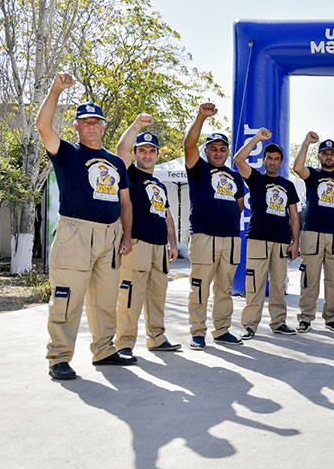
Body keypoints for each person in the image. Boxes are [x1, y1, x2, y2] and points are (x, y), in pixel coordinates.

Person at [36, 74, 134, 380]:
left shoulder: (116, 162)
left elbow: (126, 203)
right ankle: (59, 357)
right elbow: (43, 126)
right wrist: (56, 90)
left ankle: (104, 350)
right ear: (77, 126)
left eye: (96, 122)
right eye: (85, 122)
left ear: (104, 126)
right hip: (75, 234)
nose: (91, 126)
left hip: (110, 235)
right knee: (67, 298)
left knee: (105, 299)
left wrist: (127, 235)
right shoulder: (67, 153)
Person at [113, 115, 181, 356]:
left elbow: (167, 217)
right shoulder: (129, 174)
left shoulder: (159, 185)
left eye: (152, 151)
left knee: (157, 297)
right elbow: (121, 149)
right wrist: (137, 125)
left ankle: (157, 338)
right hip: (137, 245)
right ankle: (124, 344)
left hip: (159, 249)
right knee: (130, 296)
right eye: (142, 150)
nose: (147, 155)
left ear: (158, 155)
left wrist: (173, 244)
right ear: (135, 154)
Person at [183, 103, 246, 349]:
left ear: (227, 152)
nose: (218, 153)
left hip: (230, 239)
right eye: (213, 149)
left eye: (222, 149)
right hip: (204, 237)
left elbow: (239, 205)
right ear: (206, 150)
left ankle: (222, 330)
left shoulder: (235, 176)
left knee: (224, 288)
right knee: (199, 288)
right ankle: (197, 332)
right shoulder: (198, 168)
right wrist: (201, 117)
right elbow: (189, 145)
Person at [233, 128, 301, 338]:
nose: (272, 162)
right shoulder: (256, 179)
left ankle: (279, 322)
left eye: (276, 159)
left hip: (281, 241)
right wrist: (257, 138)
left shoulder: (288, 185)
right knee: (254, 283)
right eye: (269, 158)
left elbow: (294, 216)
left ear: (281, 162)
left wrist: (295, 242)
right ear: (263, 160)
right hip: (257, 238)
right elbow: (238, 159)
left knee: (278, 284)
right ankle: (249, 325)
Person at [292, 132, 334, 332]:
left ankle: (331, 317)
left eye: (332, 153)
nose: (329, 156)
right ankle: (305, 318)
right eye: (325, 153)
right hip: (312, 233)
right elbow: (297, 168)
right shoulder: (313, 175)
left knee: (333, 280)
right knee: (309, 279)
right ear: (319, 156)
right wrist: (306, 143)